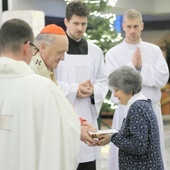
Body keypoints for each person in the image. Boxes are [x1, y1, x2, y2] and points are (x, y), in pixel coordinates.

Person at [0, 18, 80, 170]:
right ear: (26, 47)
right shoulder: (44, 89)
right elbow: (65, 141)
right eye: (60, 52)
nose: (63, 58)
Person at [105, 9, 169, 170]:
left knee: (152, 153)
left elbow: (163, 77)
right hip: (125, 110)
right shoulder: (113, 53)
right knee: (124, 153)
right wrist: (133, 67)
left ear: (142, 26)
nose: (133, 31)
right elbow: (112, 82)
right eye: (129, 27)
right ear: (123, 26)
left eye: (136, 26)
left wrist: (142, 68)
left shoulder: (153, 50)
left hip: (151, 109)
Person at [55, 1, 108, 170]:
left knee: (86, 163)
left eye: (83, 24)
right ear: (66, 22)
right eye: (76, 23)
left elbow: (103, 80)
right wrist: (74, 89)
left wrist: (94, 90)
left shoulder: (95, 51)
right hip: (63, 115)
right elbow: (49, 82)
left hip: (87, 113)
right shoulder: (56, 49)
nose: (80, 28)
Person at [30, 23, 99, 146]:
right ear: (43, 47)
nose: (63, 58)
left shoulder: (46, 68)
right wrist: (76, 129)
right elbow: (46, 114)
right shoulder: (31, 71)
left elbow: (59, 101)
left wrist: (79, 121)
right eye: (60, 52)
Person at [97, 65, 164, 170]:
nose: (114, 95)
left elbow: (138, 146)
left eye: (116, 90)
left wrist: (112, 137)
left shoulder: (137, 108)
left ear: (127, 88)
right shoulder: (142, 104)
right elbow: (135, 134)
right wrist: (112, 135)